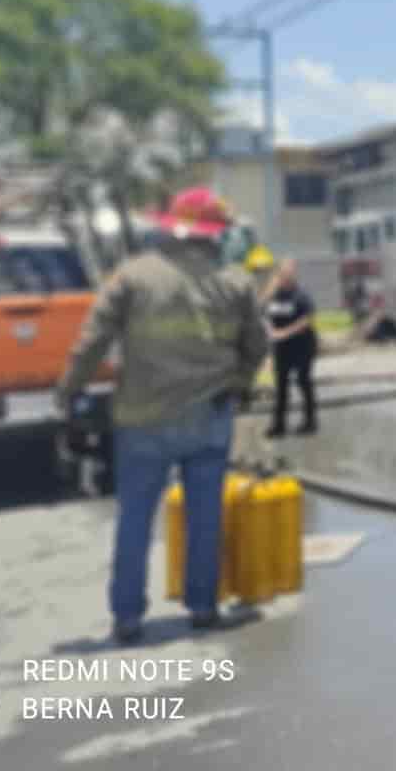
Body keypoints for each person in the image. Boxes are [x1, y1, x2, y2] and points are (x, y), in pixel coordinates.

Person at [55, 186, 269, 645]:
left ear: (172, 227)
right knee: (205, 517)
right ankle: (204, 608)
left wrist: (67, 393)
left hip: (143, 420)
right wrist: (239, 384)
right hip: (209, 418)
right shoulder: (236, 283)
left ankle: (128, 618)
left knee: (135, 518)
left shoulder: (132, 277)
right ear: (214, 235)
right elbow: (258, 345)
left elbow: (91, 342)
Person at [263, 257, 318, 437]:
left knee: (304, 382)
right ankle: (279, 425)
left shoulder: (301, 294)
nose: (286, 277)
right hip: (282, 348)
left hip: (302, 346)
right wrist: (271, 330)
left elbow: (307, 318)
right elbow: (263, 313)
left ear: (294, 275)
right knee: (281, 386)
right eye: (282, 273)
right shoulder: (274, 294)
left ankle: (309, 422)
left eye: (289, 273)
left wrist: (285, 332)